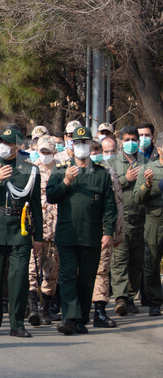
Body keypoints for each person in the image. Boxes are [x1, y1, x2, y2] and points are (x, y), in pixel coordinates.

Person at [0, 128, 44, 338]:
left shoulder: (30, 171)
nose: (2, 146)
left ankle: (17, 324)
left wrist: (38, 237)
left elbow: (36, 206)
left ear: (18, 146)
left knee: (19, 279)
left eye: (8, 142)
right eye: (0, 142)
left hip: (19, 229)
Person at [46, 125, 117, 334]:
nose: (81, 147)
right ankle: (69, 316)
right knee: (68, 275)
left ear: (91, 145)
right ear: (71, 145)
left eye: (85, 143)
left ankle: (81, 319)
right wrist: (66, 182)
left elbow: (110, 206)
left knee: (87, 278)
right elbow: (51, 196)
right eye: (77, 143)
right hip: (67, 234)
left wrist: (108, 232)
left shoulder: (101, 174)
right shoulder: (60, 170)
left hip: (92, 234)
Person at [106, 126, 148, 316]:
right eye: (127, 139)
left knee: (137, 261)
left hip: (140, 218)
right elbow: (108, 187)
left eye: (134, 138)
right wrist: (126, 179)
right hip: (120, 219)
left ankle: (131, 297)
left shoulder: (146, 162)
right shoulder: (113, 163)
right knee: (119, 260)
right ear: (121, 141)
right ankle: (120, 298)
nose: (131, 142)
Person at [91, 135, 125, 328]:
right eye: (93, 150)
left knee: (102, 271)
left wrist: (115, 232)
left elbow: (117, 205)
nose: (96, 154)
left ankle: (100, 311)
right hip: (85, 229)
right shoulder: (81, 170)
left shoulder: (110, 172)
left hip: (105, 229)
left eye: (99, 151)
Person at [28, 137, 61, 326]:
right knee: (32, 269)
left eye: (48, 151)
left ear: (55, 152)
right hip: (37, 231)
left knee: (52, 271)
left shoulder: (61, 169)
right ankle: (32, 307)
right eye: (42, 151)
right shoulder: (31, 171)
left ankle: (45, 309)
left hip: (57, 231)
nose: (45, 155)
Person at [138, 134, 163, 317]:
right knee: (152, 260)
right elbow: (139, 198)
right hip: (155, 219)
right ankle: (155, 301)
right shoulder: (149, 169)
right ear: (160, 149)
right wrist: (147, 185)